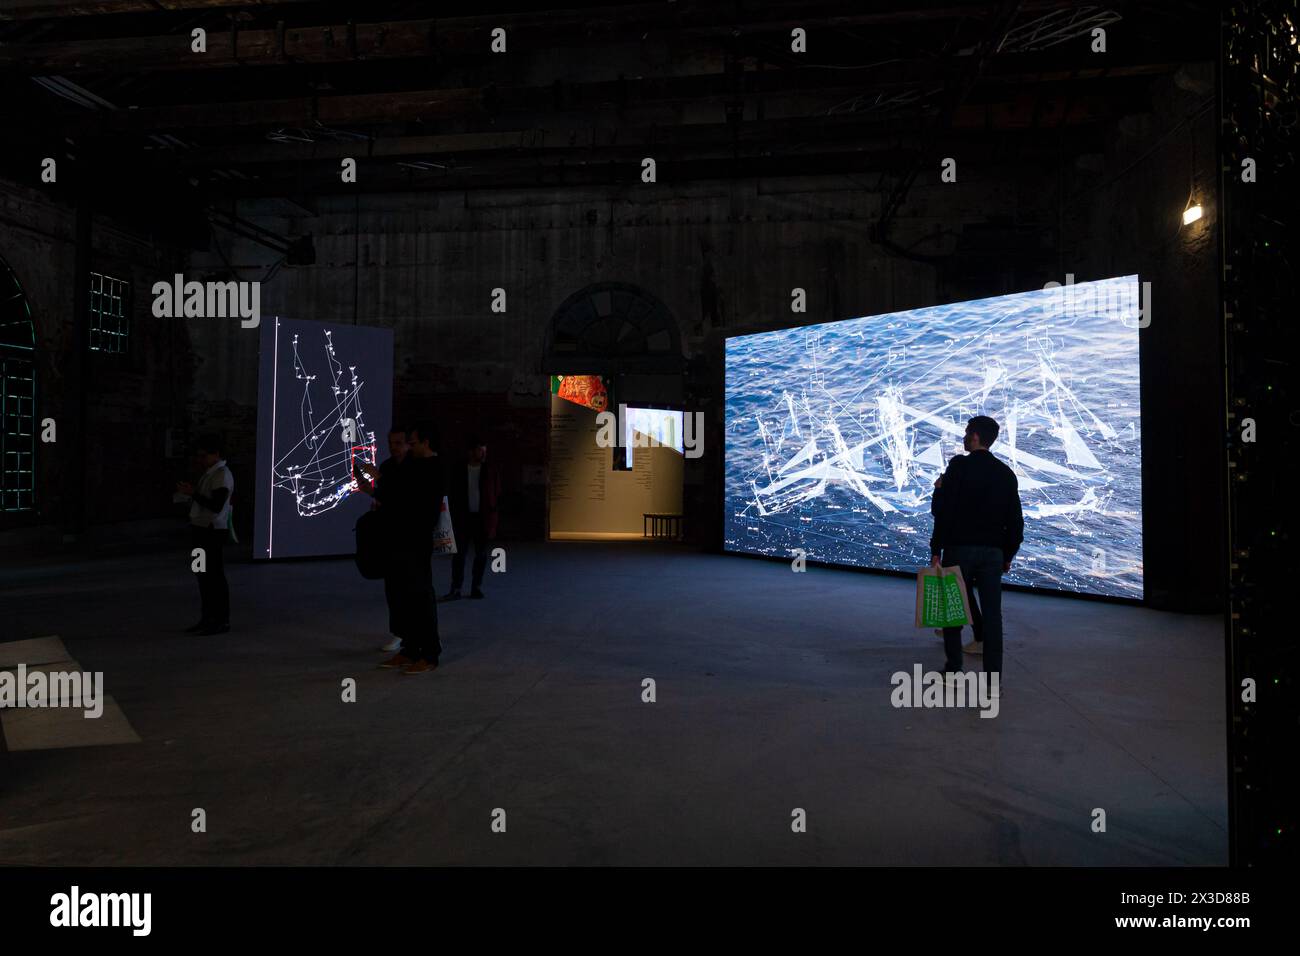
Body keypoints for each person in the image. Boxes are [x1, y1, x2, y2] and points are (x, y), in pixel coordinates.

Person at [929, 415, 1024, 692]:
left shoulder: (958, 466)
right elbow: (1016, 522)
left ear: (974, 437)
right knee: (993, 619)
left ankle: (953, 671)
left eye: (966, 432)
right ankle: (993, 684)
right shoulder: (1006, 473)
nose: (963, 437)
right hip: (993, 554)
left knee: (952, 614)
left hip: (958, 549)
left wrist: (936, 548)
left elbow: (942, 512)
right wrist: (1008, 554)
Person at [369, 421, 444, 675]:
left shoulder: (433, 468)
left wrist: (381, 481)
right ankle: (411, 649)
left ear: (425, 443)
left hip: (416, 541)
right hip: (399, 540)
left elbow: (410, 500)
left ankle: (430, 654)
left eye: (412, 443)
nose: (408, 448)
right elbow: (396, 497)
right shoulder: (414, 466)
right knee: (404, 597)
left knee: (421, 596)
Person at [355, 427, 410, 653]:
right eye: (391, 442)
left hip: (409, 535)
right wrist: (371, 493)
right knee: (393, 587)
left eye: (398, 442)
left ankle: (414, 634)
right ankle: (399, 632)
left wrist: (379, 480)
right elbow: (385, 497)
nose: (393, 447)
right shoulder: (387, 466)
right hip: (390, 534)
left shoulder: (413, 468)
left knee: (410, 587)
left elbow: (403, 497)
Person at [176, 433, 234, 636]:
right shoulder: (211, 473)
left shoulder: (221, 475)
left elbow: (216, 505)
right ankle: (207, 618)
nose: (201, 460)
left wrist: (193, 494)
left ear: (216, 454)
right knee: (202, 575)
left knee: (213, 577)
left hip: (211, 533)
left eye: (204, 455)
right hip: (200, 532)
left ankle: (219, 620)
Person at [442, 434, 501, 601]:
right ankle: (456, 588)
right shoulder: (459, 469)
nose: (482, 454)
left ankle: (476, 587)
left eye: (484, 451)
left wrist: (492, 513)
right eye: (479, 450)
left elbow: (496, 492)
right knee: (459, 554)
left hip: (482, 517)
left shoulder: (490, 469)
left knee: (480, 554)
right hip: (463, 517)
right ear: (471, 451)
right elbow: (452, 492)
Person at [930, 473, 984, 652]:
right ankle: (952, 630)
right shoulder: (971, 491)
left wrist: (938, 491)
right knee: (961, 591)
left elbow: (939, 516)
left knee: (961, 592)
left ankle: (979, 637)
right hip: (974, 548)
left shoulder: (950, 494)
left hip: (956, 549)